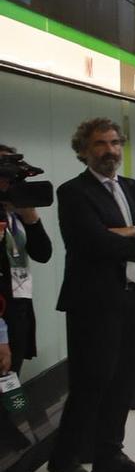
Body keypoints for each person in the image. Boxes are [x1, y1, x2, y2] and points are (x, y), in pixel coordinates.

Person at [47, 119, 135, 472]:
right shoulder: (74, 192)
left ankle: (109, 453)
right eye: (100, 144)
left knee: (124, 380)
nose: (110, 150)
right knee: (92, 380)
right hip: (95, 302)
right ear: (84, 150)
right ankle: (65, 458)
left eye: (115, 142)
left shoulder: (133, 188)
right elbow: (93, 243)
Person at [0, 144, 54, 383]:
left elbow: (43, 253)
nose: (9, 185)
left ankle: (11, 418)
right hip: (2, 320)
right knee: (5, 383)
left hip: (19, 311)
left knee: (10, 381)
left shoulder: (15, 216)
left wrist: (31, 219)